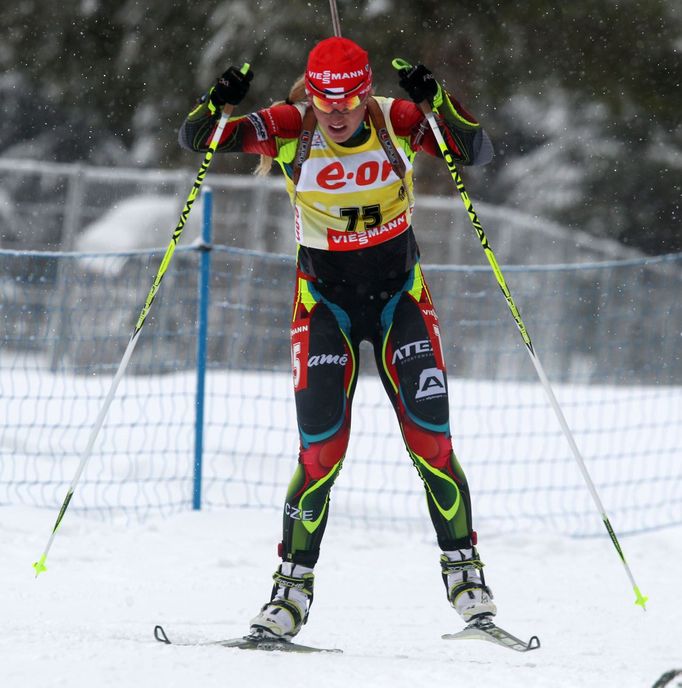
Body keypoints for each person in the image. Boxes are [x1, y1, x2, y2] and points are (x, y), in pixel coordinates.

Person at [179, 36, 496, 641]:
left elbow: (473, 148)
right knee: (320, 450)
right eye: (325, 100)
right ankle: (290, 592)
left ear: (365, 89)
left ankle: (465, 574)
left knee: (431, 440)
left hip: (400, 298)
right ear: (311, 92)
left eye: (349, 99)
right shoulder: (289, 126)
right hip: (325, 306)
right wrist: (217, 100)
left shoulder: (394, 119)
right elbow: (198, 140)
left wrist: (436, 101)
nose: (338, 112)